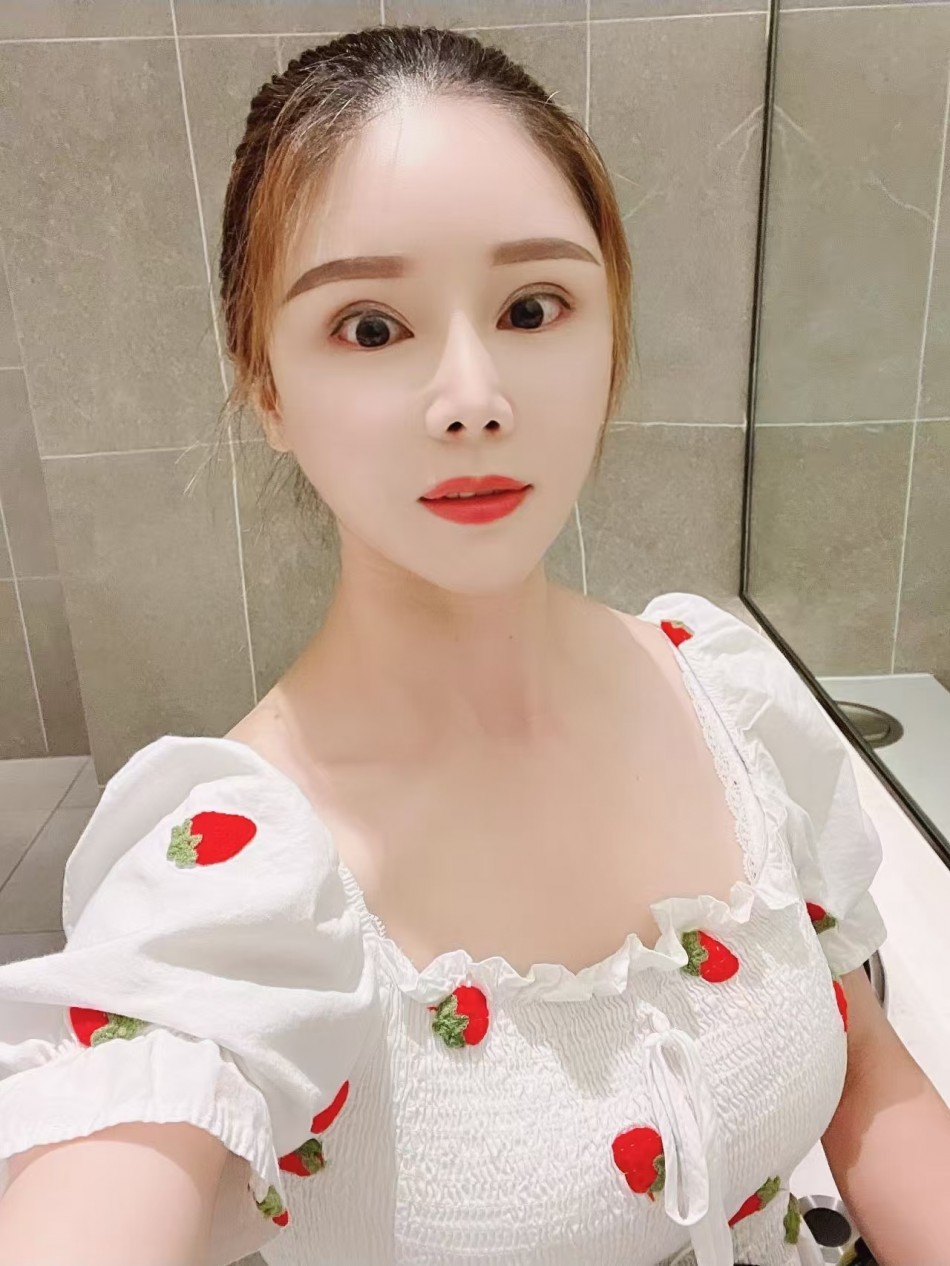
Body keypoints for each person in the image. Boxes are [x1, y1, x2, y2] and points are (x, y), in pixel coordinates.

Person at [0, 23, 946, 1266]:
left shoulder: (725, 694)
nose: (472, 398)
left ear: (608, 336)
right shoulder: (230, 886)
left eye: (531, 307)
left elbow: (863, 1061)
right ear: (267, 386)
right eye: (369, 328)